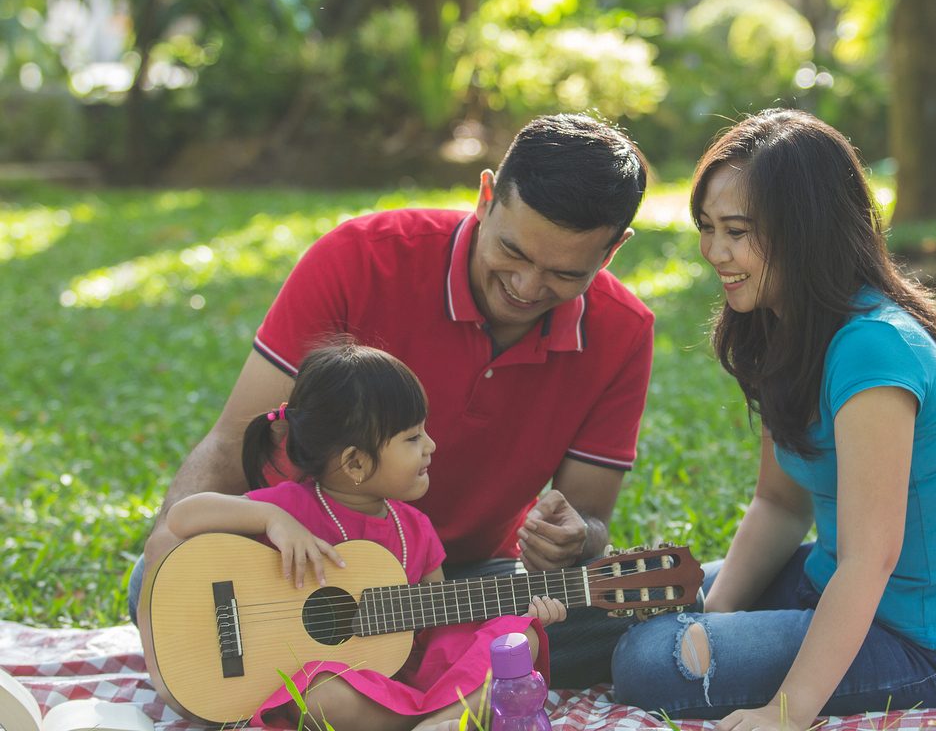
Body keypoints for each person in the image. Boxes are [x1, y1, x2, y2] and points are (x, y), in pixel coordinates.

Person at [132, 114, 654, 687]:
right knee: (157, 582)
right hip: (293, 566)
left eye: (563, 273)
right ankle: (406, 669)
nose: (527, 288)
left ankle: (384, 669)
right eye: (512, 251)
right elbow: (235, 440)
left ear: (611, 251)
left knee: (630, 611)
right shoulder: (361, 257)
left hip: (457, 583)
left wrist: (574, 537)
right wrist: (165, 562)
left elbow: (589, 516)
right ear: (485, 197)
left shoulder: (623, 331)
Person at [610, 109, 936, 729]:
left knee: (649, 660)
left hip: (935, 644)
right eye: (707, 227)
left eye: (737, 231)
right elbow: (779, 505)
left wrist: (785, 712)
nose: (715, 252)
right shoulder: (782, 328)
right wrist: (708, 620)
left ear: (805, 229)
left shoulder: (874, 348)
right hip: (832, 583)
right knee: (647, 592)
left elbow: (870, 559)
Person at [163, 342, 566, 731]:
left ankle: (435, 720)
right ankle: (442, 720)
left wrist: (518, 610)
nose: (431, 446)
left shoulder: (415, 531)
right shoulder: (292, 507)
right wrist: (270, 518)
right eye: (412, 438)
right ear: (355, 462)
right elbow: (182, 516)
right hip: (343, 685)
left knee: (519, 638)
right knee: (318, 698)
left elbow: (438, 619)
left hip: (403, 677)